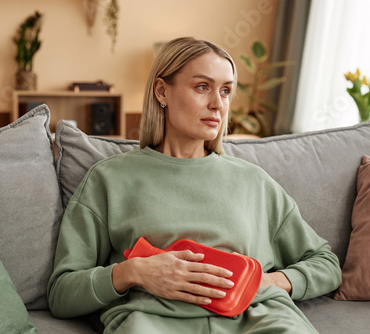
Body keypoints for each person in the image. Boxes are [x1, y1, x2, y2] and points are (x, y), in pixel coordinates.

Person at [47, 37, 342, 333]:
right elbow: (62, 294)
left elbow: (325, 263)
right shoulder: (108, 179)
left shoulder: (253, 181)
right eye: (202, 87)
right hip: (152, 321)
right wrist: (133, 272)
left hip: (261, 319)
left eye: (226, 91)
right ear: (162, 90)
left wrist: (267, 281)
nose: (218, 104)